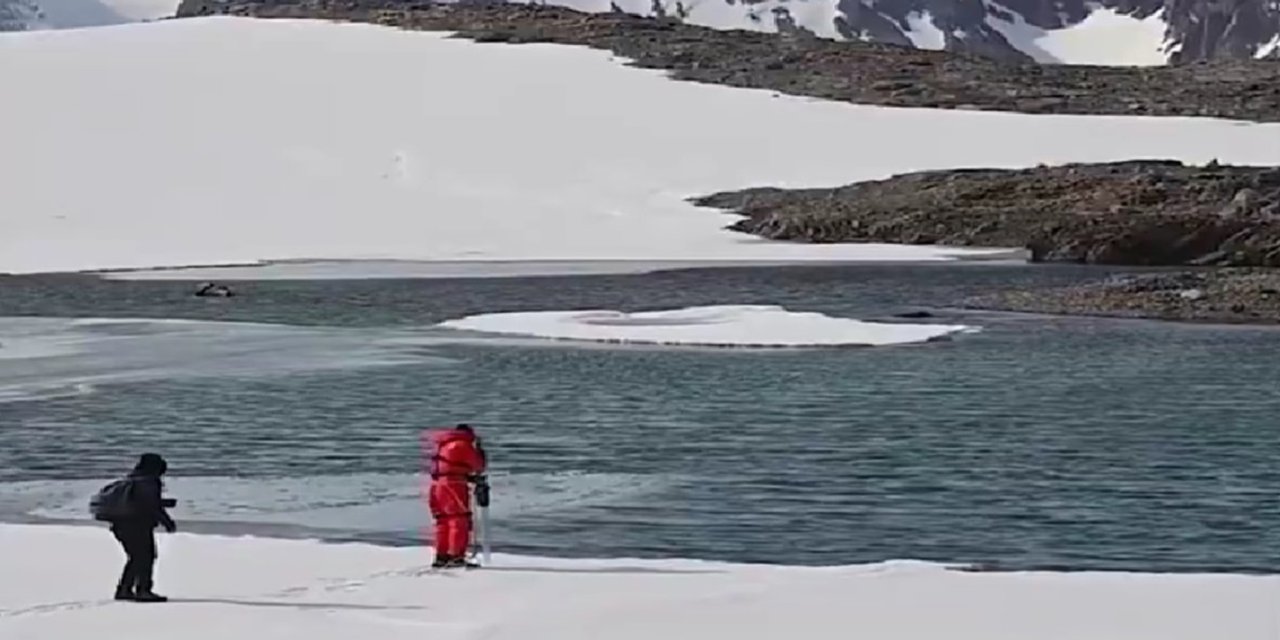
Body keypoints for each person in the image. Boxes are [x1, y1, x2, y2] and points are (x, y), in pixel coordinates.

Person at [108, 453, 177, 602]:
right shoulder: (150, 481)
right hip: (137, 525)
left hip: (121, 524)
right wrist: (167, 522)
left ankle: (124, 589)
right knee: (146, 557)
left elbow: (140, 501)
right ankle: (143, 590)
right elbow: (151, 506)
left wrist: (164, 503)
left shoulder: (132, 479)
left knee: (136, 558)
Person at [426, 424, 487, 569]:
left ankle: (441, 556)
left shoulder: (443, 444)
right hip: (453, 486)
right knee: (459, 520)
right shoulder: (462, 444)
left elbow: (449, 467)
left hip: (437, 485)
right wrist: (479, 451)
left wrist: (467, 477)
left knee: (442, 520)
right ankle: (456, 556)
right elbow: (478, 466)